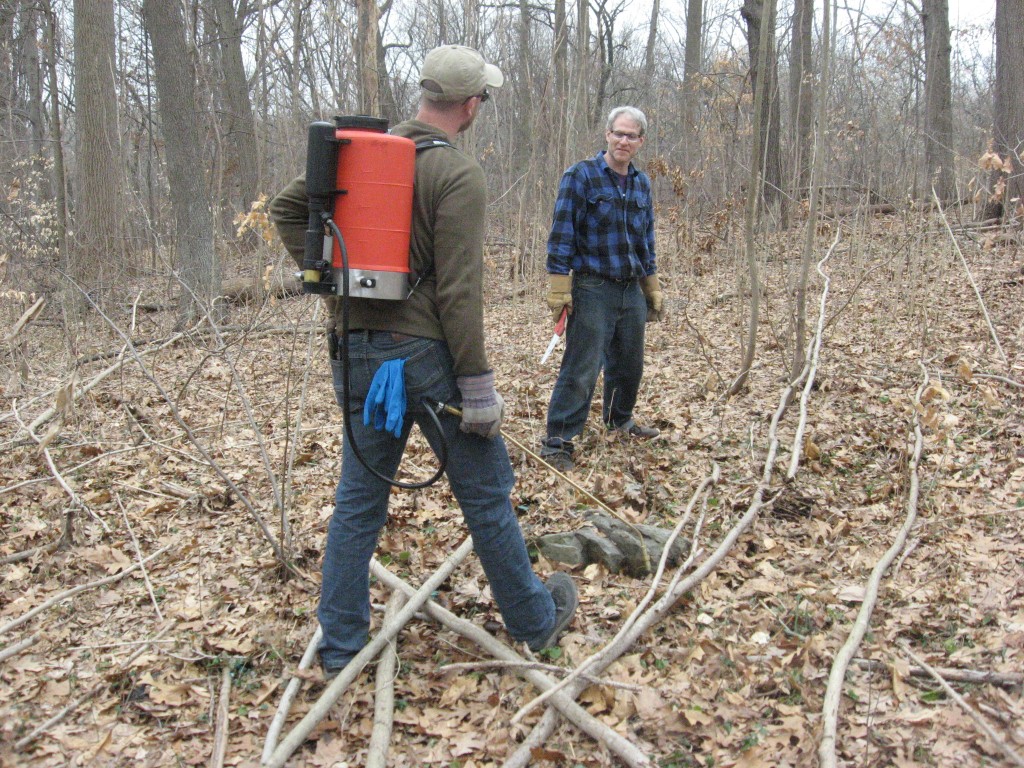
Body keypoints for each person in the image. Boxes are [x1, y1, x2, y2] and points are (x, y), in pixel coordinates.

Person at [268, 45, 577, 678]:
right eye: (481, 99)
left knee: (358, 502)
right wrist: (479, 387)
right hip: (427, 362)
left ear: (424, 95)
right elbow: (460, 293)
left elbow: (286, 209)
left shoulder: (358, 151)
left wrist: (327, 275)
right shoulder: (457, 175)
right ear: (469, 105)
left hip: (355, 353)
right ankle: (536, 621)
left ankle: (341, 647)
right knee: (487, 494)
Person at [540, 106, 663, 473]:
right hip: (593, 287)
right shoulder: (580, 176)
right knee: (582, 368)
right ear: (607, 134)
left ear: (641, 141)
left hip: (631, 289)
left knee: (629, 365)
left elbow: (647, 240)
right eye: (619, 133)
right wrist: (560, 288)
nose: (624, 141)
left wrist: (651, 285)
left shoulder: (641, 184)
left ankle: (619, 421)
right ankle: (558, 442)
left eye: (632, 136)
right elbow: (561, 234)